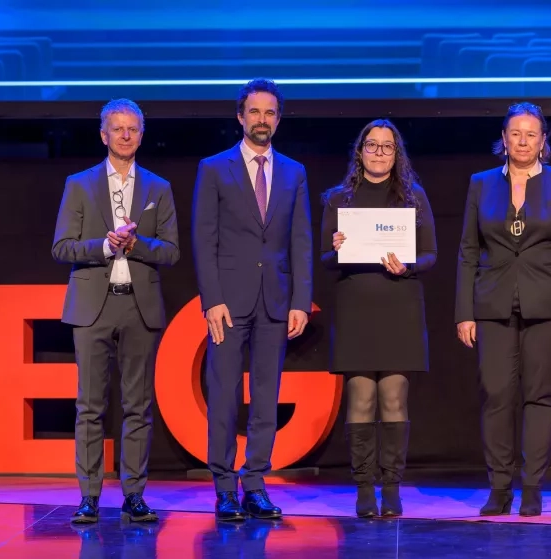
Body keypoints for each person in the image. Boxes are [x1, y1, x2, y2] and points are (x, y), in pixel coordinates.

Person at [455, 102, 551, 517]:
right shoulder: (481, 183)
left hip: (547, 305)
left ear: (543, 140)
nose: (524, 140)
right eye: (516, 133)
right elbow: (467, 250)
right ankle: (499, 487)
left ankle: (532, 485)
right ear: (504, 138)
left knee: (540, 396)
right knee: (496, 395)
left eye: (532, 134)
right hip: (492, 304)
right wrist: (464, 312)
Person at [52, 98, 180, 524]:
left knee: (137, 406)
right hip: (92, 307)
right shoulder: (80, 184)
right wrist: (105, 246)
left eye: (133, 129)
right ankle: (89, 496)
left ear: (141, 135)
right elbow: (61, 247)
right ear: (103, 135)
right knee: (90, 406)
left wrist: (136, 244)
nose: (126, 136)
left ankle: (134, 495)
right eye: (118, 129)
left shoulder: (158, 187)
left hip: (139, 308)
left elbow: (172, 250)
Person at [191, 78, 312, 521]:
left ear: (278, 119)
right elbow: (204, 239)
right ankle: (224, 486)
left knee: (266, 395)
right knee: (223, 395)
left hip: (276, 302)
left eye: (270, 113)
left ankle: (255, 482)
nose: (262, 120)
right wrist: (212, 300)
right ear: (240, 117)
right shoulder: (213, 168)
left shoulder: (294, 171)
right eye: (254, 112)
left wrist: (301, 300)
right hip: (228, 303)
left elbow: (301, 240)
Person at [320, 119, 437, 518]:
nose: (380, 153)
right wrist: (335, 248)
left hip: (399, 308)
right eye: (373, 145)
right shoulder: (340, 199)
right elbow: (324, 258)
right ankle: (364, 487)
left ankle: (392, 486)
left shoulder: (413, 196)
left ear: (396, 153)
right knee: (362, 399)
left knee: (392, 398)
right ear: (360, 150)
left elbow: (430, 254)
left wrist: (408, 266)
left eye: (388, 147)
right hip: (356, 310)